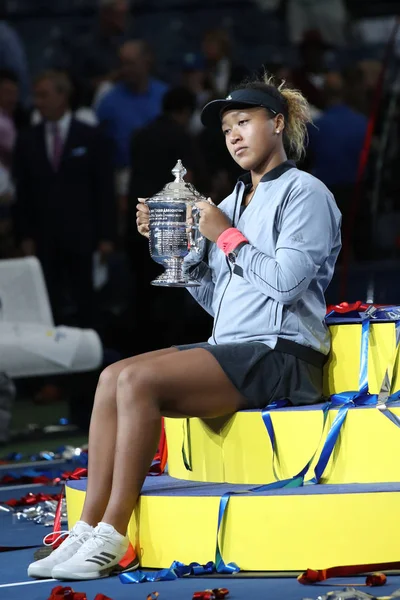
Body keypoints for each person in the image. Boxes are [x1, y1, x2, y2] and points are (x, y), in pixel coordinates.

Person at [27, 75, 341, 581]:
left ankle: (113, 533)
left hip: (284, 356)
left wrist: (225, 235)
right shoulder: (236, 199)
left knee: (138, 381)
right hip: (238, 347)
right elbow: (220, 299)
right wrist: (178, 251)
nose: (234, 136)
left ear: (277, 124)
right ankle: (85, 530)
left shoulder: (306, 193)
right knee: (112, 376)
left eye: (245, 122)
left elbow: (284, 286)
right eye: (226, 129)